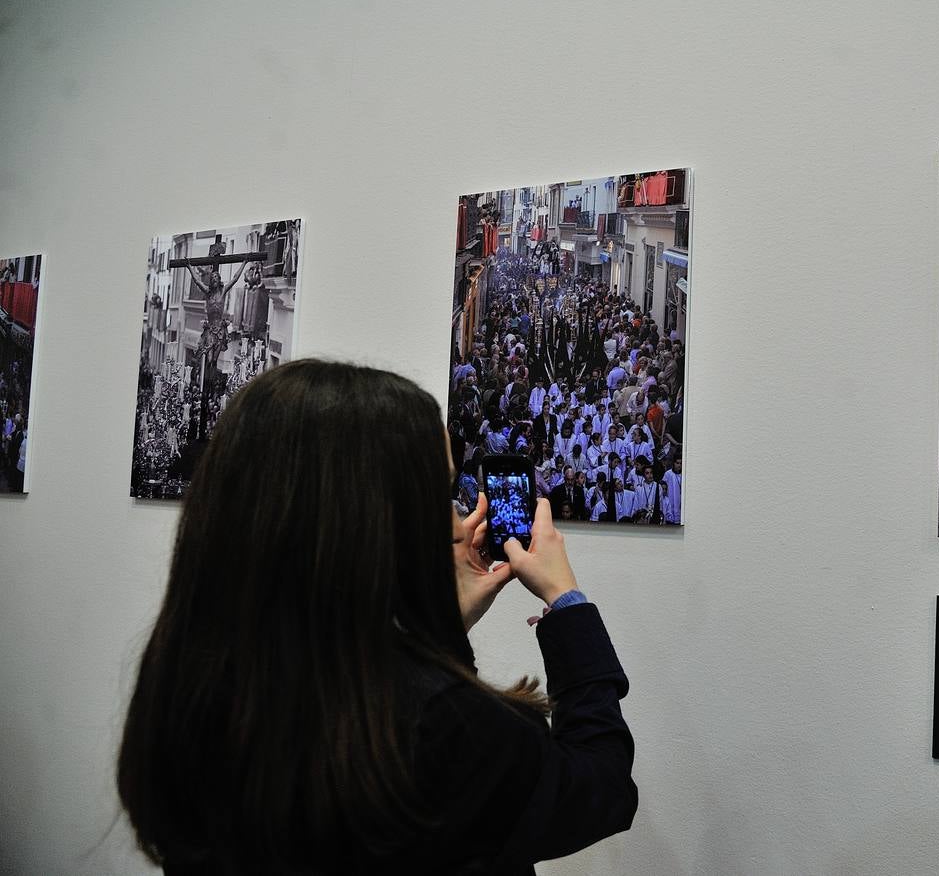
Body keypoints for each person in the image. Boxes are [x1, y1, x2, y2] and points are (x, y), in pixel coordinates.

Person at [118, 360, 636, 874]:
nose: (461, 527)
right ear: (370, 520)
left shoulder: (197, 685)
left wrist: (438, 635)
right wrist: (567, 601)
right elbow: (601, 787)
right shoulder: (444, 728)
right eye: (440, 498)